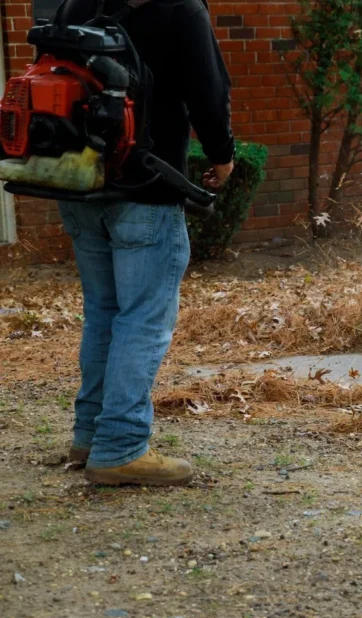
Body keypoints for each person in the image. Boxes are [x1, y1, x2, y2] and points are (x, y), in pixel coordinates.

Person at [55, 0, 234, 486]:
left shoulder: (79, 1)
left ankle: (90, 437)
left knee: (105, 312)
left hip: (77, 181)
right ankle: (121, 447)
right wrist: (222, 154)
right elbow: (208, 90)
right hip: (145, 186)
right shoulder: (179, 8)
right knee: (144, 318)